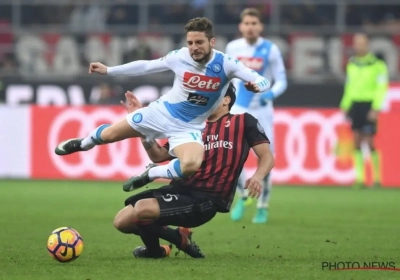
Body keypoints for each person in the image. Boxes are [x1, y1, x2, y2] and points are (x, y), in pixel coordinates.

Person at [54, 17, 271, 186]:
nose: (194, 47)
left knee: (191, 165)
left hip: (189, 127)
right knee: (109, 135)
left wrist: (257, 86)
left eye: (199, 42)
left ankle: (152, 173)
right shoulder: (180, 56)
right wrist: (109, 70)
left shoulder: (226, 64)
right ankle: (82, 144)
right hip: (161, 113)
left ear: (212, 42)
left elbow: (259, 78)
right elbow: (147, 66)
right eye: (190, 42)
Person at [113, 84, 274, 259]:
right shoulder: (190, 127)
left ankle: (154, 252)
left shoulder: (243, 121)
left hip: (207, 198)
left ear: (226, 100)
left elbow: (267, 157)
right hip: (178, 189)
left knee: (142, 209)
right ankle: (174, 241)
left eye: (213, 95)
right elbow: (158, 156)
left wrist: (257, 177)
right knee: (121, 222)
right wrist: (141, 126)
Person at [225, 8, 287, 223]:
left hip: (262, 110)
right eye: (247, 23)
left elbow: (282, 80)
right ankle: (243, 196)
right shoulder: (233, 48)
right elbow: (227, 77)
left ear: (260, 27)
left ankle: (262, 206)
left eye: (254, 23)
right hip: (238, 109)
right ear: (241, 26)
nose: (250, 27)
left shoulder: (270, 49)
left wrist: (269, 94)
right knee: (233, 156)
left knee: (265, 156)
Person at [340, 33, 388, 188]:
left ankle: (376, 178)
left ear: (367, 45)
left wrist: (376, 107)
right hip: (355, 104)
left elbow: (381, 87)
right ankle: (360, 178)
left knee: (369, 141)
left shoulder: (377, 64)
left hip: (369, 104)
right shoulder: (352, 63)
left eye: (361, 43)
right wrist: (345, 105)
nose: (358, 46)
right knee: (356, 140)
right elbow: (349, 86)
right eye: (356, 43)